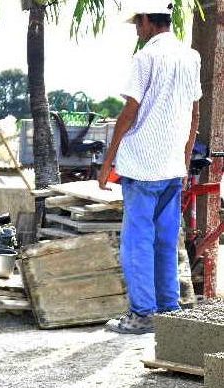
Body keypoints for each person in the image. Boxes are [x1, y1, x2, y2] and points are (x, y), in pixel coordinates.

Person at [98, 0, 201, 335]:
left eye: (137, 24)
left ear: (145, 20)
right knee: (166, 241)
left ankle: (142, 314)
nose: (137, 31)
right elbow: (195, 113)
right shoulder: (191, 56)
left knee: (137, 242)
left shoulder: (145, 58)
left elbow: (129, 112)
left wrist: (109, 159)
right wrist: (185, 158)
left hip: (142, 166)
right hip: (172, 166)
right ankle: (168, 310)